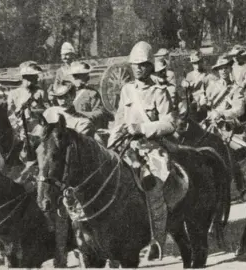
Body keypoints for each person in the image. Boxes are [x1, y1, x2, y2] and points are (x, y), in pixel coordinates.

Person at [108, 41, 176, 261]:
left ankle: (157, 241)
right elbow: (119, 119)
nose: (138, 68)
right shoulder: (127, 90)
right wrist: (111, 142)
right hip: (126, 147)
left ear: (150, 66)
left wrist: (142, 128)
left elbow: (170, 123)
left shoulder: (159, 91)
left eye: (143, 64)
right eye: (135, 65)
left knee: (153, 187)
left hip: (151, 148)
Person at [7, 63, 49, 162]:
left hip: (37, 126)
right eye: (32, 78)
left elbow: (47, 111)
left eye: (35, 77)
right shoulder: (14, 93)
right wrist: (20, 108)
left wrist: (36, 108)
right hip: (19, 128)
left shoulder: (40, 93)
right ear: (24, 78)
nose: (35, 80)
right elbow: (10, 114)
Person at [68, 61, 108, 129]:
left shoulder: (92, 93)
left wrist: (81, 114)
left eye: (78, 76)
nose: (75, 78)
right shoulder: (67, 92)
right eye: (74, 76)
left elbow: (100, 113)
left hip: (87, 128)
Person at [180, 50, 210, 119]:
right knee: (183, 108)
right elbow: (185, 85)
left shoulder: (206, 74)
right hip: (192, 97)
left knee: (204, 108)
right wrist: (185, 83)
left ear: (202, 62)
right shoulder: (190, 74)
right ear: (192, 64)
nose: (197, 65)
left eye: (199, 62)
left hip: (203, 96)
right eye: (195, 63)